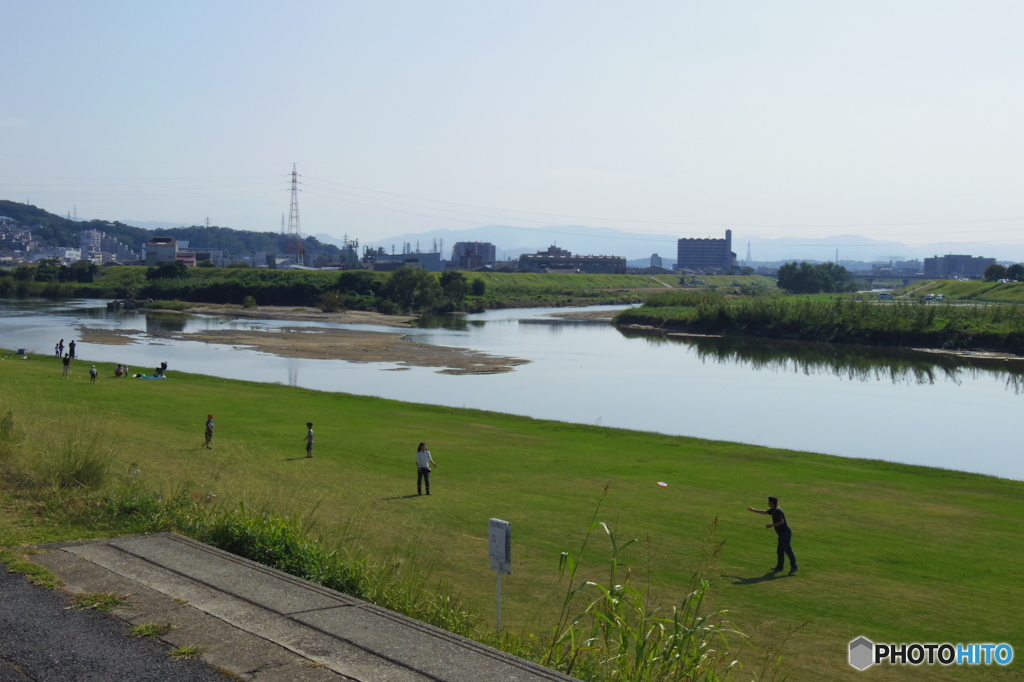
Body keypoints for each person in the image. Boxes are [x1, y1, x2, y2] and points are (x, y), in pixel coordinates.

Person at [748, 496, 798, 575]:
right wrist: (753, 510)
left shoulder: (777, 511)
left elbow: (781, 521)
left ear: (772, 502)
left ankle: (794, 567)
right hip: (781, 534)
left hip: (785, 533)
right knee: (780, 551)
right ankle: (780, 566)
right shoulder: (774, 509)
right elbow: (765, 512)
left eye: (769, 501)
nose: (768, 503)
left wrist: (772, 525)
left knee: (788, 550)